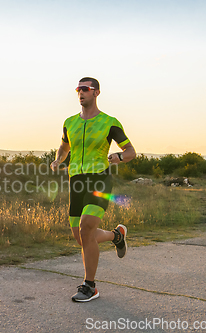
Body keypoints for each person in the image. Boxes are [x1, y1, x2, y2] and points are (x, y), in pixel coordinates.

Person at [50, 77, 136, 302]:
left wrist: (119, 156)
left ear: (96, 93)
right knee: (81, 237)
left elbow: (130, 151)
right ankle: (117, 235)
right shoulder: (69, 122)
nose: (81, 92)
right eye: (78, 89)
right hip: (76, 182)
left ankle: (90, 286)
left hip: (99, 180)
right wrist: (59, 159)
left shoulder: (109, 122)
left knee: (87, 227)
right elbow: (64, 145)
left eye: (86, 89)